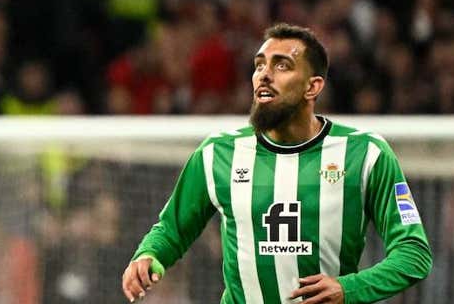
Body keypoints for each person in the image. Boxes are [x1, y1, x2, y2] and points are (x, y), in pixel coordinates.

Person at [120, 23, 432, 303]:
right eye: (259, 65)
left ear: (313, 87)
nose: (264, 74)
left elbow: (414, 254)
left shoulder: (366, 154)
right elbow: (172, 230)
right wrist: (149, 255)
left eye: (282, 65)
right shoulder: (218, 153)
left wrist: (348, 289)